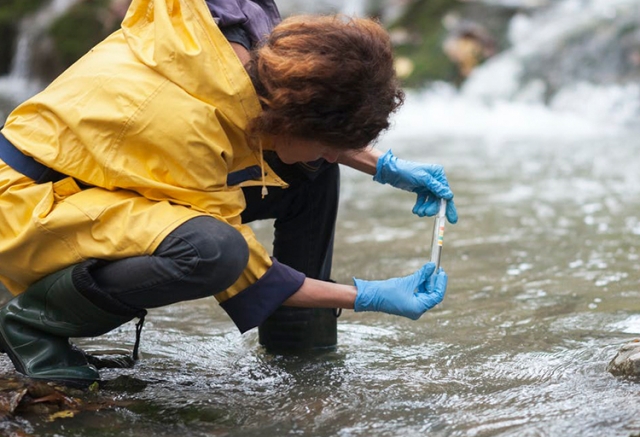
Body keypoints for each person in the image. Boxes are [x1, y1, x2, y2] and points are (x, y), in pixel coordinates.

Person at [0, 0, 457, 385]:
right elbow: (248, 271)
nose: (336, 150)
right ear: (290, 120)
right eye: (326, 139)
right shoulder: (188, 129)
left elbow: (306, 134)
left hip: (97, 172)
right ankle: (31, 324)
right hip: (29, 203)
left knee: (314, 170)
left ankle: (299, 349)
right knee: (212, 251)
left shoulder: (255, 45)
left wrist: (386, 167)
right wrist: (366, 296)